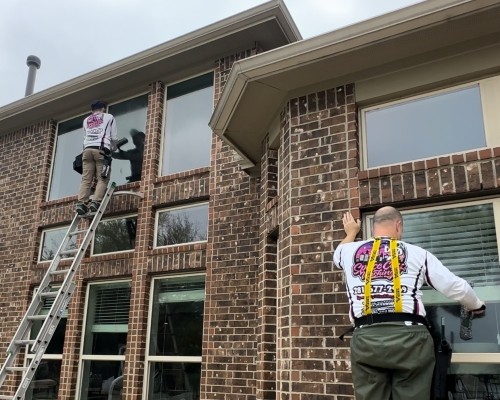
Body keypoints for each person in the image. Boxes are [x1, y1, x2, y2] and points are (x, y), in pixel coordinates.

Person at [333, 206, 486, 400]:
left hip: (366, 339)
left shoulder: (349, 251)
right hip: (411, 340)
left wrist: (351, 233)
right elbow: (457, 287)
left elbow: (337, 254)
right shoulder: (418, 254)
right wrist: (476, 305)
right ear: (398, 225)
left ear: (374, 228)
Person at [76, 100, 117, 215]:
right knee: (102, 178)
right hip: (101, 150)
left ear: (92, 110)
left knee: (86, 179)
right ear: (103, 108)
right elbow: (113, 137)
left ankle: (81, 203)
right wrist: (114, 148)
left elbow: (85, 136)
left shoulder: (86, 120)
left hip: (87, 150)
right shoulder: (109, 117)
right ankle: (95, 202)